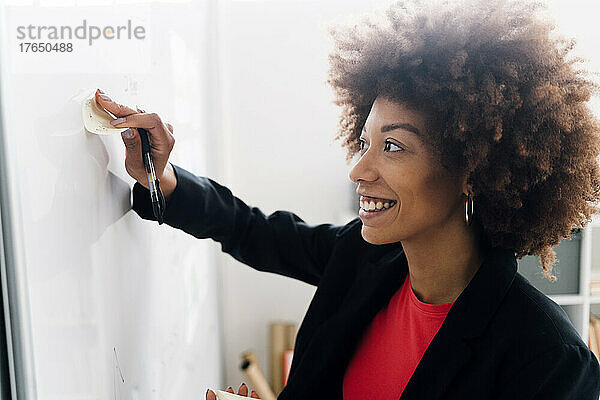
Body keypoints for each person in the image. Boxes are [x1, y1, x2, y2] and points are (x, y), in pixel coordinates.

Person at [95, 0, 600, 398]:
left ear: (473, 172)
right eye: (364, 142)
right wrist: (161, 180)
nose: (359, 169)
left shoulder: (548, 360)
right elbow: (252, 230)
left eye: (394, 147)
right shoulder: (362, 257)